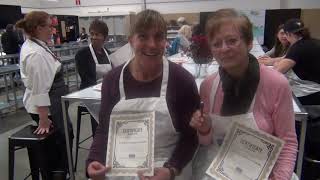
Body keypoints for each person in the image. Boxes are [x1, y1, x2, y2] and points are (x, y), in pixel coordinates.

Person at [86, 9, 200, 180]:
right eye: (143, 36)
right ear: (131, 40)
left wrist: (172, 169)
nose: (152, 44)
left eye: (159, 37)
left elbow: (191, 136)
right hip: (122, 170)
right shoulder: (112, 80)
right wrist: (94, 159)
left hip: (167, 168)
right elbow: (104, 129)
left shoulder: (182, 81)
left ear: (165, 41)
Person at [189, 9, 297, 180]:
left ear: (248, 43)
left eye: (232, 41)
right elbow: (206, 143)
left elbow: (288, 144)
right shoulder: (208, 86)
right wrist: (204, 129)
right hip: (219, 171)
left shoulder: (276, 84)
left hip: (264, 172)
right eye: (216, 44)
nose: (224, 49)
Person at [16, 11, 73, 179]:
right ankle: (57, 174)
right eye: (50, 26)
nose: (53, 30)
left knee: (65, 136)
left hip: (54, 104)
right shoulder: (36, 54)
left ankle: (61, 171)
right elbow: (40, 89)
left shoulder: (37, 44)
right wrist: (43, 118)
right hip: (47, 109)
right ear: (38, 28)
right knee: (59, 142)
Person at [75, 19, 113, 135]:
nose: (94, 37)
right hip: (90, 93)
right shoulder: (82, 54)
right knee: (102, 110)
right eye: (92, 34)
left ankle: (111, 137)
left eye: (97, 34)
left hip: (105, 90)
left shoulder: (108, 53)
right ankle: (99, 138)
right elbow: (86, 79)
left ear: (104, 37)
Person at [274, 18, 320, 105]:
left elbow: (278, 71)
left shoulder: (297, 47)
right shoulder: (314, 42)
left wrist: (276, 64)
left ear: (288, 34)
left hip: (310, 93)